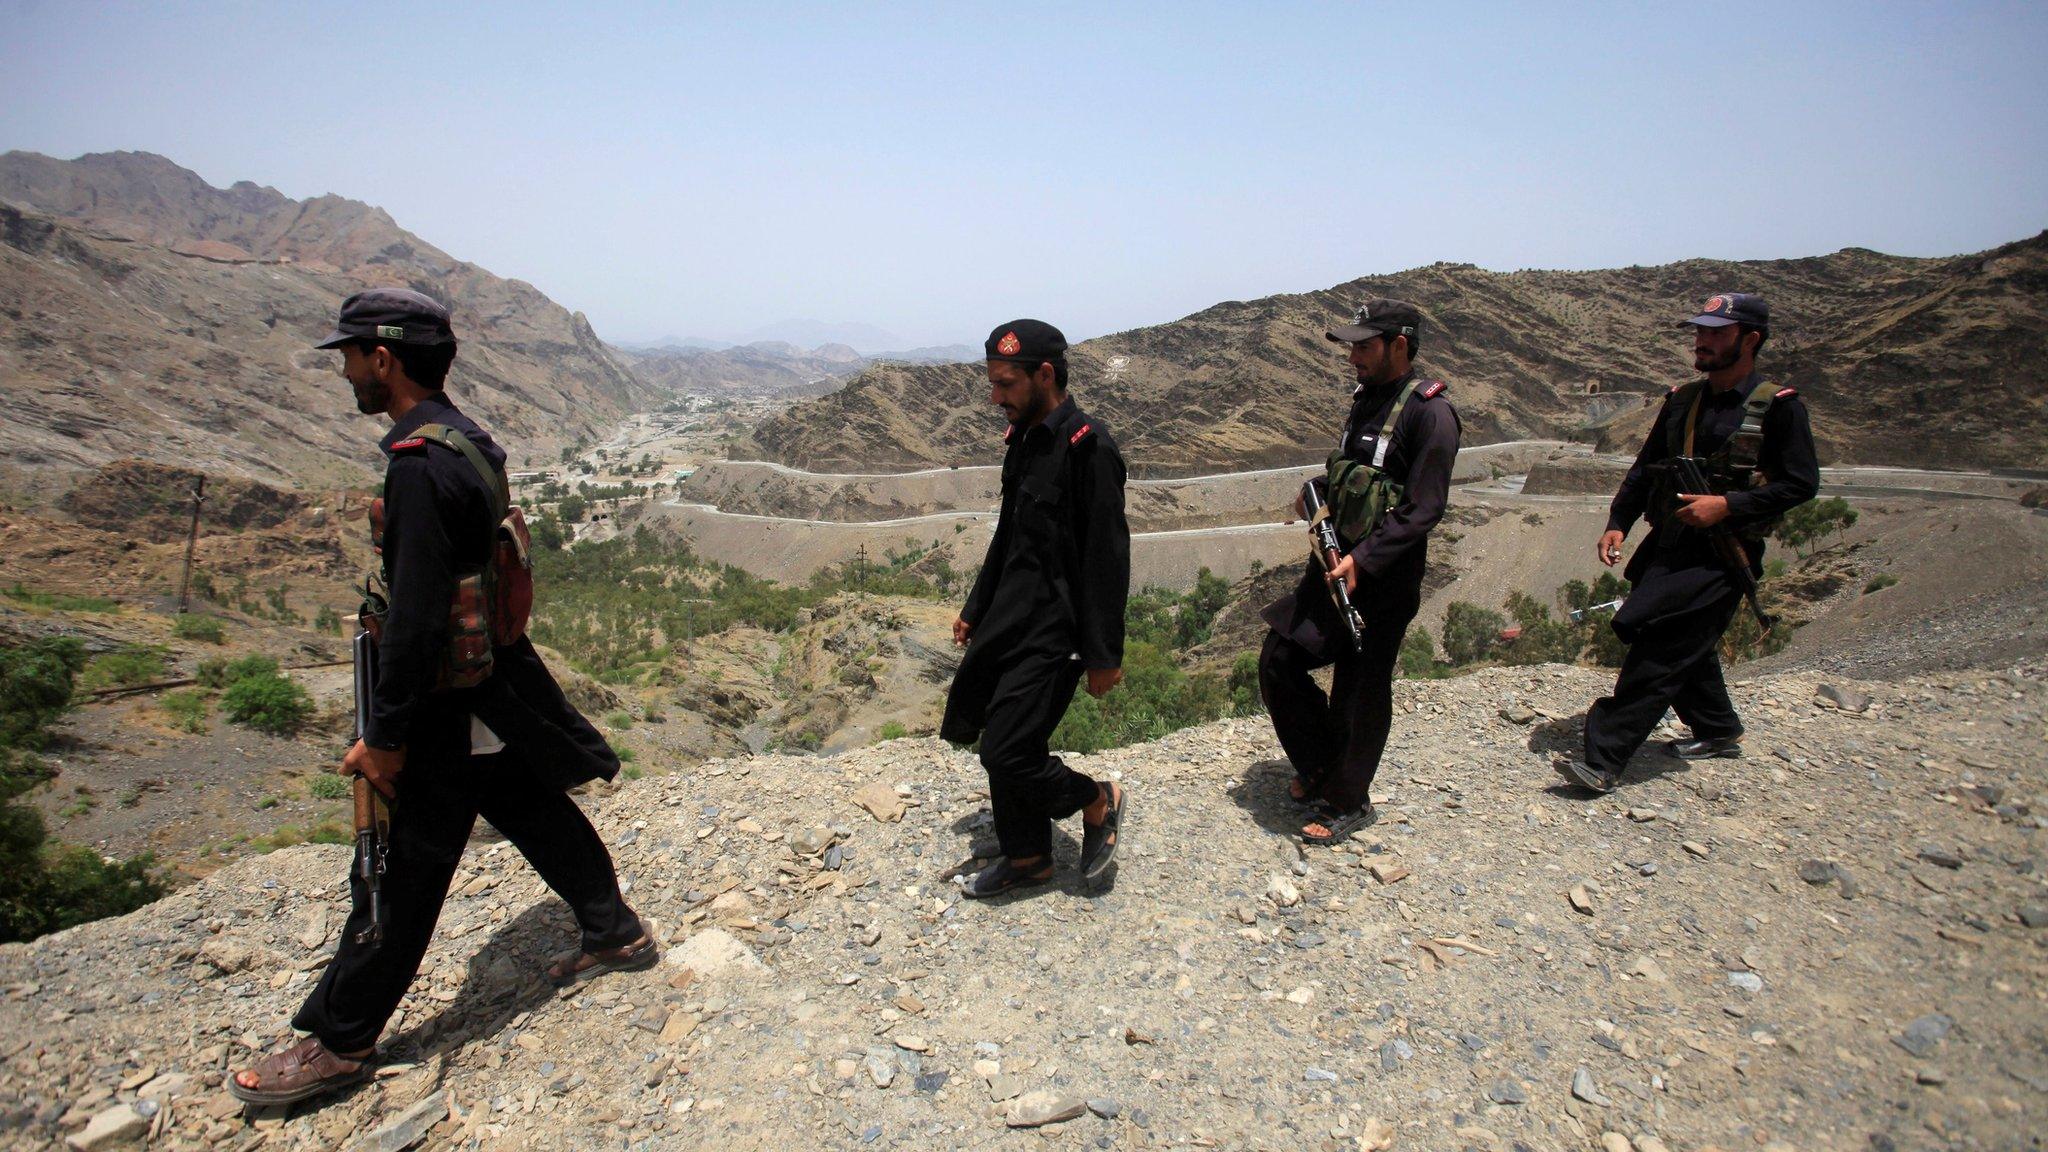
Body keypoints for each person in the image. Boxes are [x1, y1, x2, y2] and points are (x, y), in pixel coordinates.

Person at [229, 289, 654, 1107]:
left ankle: (341, 1040)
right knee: (526, 801)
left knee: (406, 868)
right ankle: (614, 929)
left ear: (382, 361)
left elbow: (419, 613)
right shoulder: (469, 441)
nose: (347, 370)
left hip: (441, 701)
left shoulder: (419, 466)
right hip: (486, 685)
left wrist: (386, 735)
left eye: (350, 356)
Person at [1566, 292, 1820, 793]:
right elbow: (1645, 468)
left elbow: (1800, 484)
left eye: (1715, 333)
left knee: (1660, 647)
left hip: (1724, 553)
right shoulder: (1682, 402)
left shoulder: (1779, 409)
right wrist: (1619, 520)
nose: (1701, 342)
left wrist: (1727, 506)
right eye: (1699, 332)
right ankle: (1718, 729)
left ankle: (1605, 757)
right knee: (1681, 640)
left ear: (1749, 340)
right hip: (1670, 544)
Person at [1257, 299, 1460, 844]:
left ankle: (1348, 799)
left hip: (1381, 579)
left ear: (1400, 345)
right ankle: (1322, 766)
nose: (1352, 357)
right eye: (1351, 346)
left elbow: (1423, 507)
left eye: (1364, 346)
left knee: (1360, 688)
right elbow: (1355, 475)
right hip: (1331, 565)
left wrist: (1364, 560)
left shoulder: (1430, 413)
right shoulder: (1366, 400)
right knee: (1278, 661)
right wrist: (1319, 497)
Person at [941, 319, 1131, 898]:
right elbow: (1009, 536)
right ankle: (1029, 858)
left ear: (1044, 375)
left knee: (1007, 747)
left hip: (1058, 629)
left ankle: (1097, 799)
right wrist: (976, 607)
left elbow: (1107, 558)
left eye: (1005, 385)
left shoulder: (1089, 447)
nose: (995, 398)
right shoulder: (1024, 436)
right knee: (997, 732)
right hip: (1012, 619)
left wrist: (1104, 654)